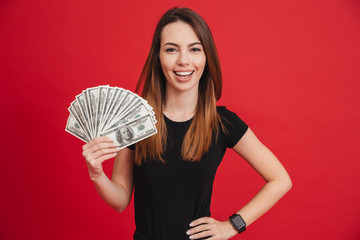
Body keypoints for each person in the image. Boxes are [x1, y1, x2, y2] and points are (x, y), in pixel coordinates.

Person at [82, 7, 292, 240]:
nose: (183, 60)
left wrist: (231, 226)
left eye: (194, 49)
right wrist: (96, 173)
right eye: (171, 49)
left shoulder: (222, 122)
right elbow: (120, 200)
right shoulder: (136, 119)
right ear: (158, 57)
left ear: (206, 57)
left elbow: (280, 180)